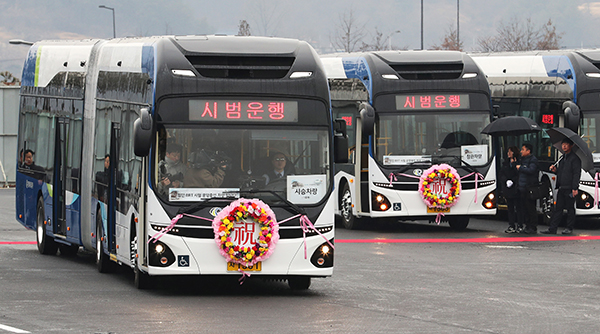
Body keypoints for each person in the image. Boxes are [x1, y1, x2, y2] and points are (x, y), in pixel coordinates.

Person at [541, 138, 581, 235]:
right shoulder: (563, 158)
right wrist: (555, 170)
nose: (564, 146)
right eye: (563, 144)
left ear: (571, 146)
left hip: (569, 188)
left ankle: (569, 227)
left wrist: (575, 188)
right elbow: (562, 172)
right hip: (562, 187)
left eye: (566, 144)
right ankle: (552, 228)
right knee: (557, 209)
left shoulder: (575, 159)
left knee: (570, 208)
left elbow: (576, 174)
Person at [516, 143, 539, 234]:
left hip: (529, 187)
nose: (521, 151)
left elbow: (531, 170)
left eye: (523, 149)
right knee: (524, 207)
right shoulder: (522, 159)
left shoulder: (533, 160)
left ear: (528, 151)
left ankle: (533, 226)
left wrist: (521, 168)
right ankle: (527, 225)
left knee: (530, 208)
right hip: (522, 187)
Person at [500, 146, 521, 233]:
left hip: (516, 187)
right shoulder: (505, 163)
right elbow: (502, 173)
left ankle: (520, 225)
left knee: (519, 208)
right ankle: (511, 225)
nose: (508, 153)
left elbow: (519, 174)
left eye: (510, 152)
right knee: (510, 208)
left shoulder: (519, 162)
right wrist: (506, 181)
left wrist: (515, 165)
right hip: (508, 188)